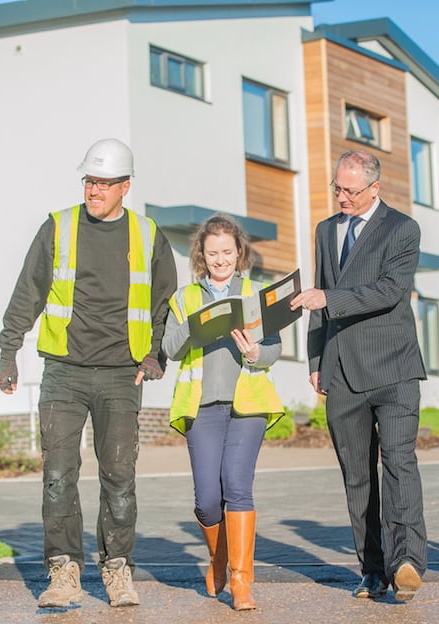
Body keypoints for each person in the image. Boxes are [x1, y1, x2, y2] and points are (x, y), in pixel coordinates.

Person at [0, 138, 178, 609]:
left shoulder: (147, 234)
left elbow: (164, 303)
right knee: (58, 474)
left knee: (119, 476)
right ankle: (63, 572)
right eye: (89, 181)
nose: (94, 190)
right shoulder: (57, 228)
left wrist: (156, 355)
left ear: (125, 187)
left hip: (122, 375)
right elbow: (27, 293)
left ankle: (117, 570)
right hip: (64, 373)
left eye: (103, 183)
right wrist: (8, 350)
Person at [290, 149, 427, 602]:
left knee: (400, 462)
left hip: (394, 368)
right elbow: (317, 297)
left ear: (374, 188)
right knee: (356, 475)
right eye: (337, 188)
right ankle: (371, 570)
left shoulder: (403, 229)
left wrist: (329, 298)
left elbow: (390, 290)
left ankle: (406, 562)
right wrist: (315, 360)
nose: (341, 197)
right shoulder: (326, 230)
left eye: (349, 190)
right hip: (342, 371)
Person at [162, 213, 285, 611]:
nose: (220, 259)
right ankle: (217, 560)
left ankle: (240, 581)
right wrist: (195, 327)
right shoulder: (184, 298)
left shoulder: (255, 292)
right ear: (201, 254)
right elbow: (170, 348)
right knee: (207, 499)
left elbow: (273, 348)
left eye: (227, 252)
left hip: (247, 404)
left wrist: (256, 352)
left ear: (239, 252)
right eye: (212, 253)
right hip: (202, 406)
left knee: (236, 486)